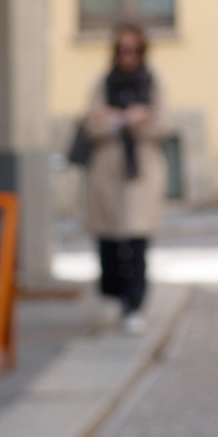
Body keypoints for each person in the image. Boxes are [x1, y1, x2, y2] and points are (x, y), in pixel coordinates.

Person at [82, 23, 166, 335]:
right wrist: (121, 121)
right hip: (108, 173)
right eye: (121, 49)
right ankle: (114, 296)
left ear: (142, 51)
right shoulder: (103, 83)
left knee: (138, 241)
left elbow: (163, 124)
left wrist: (139, 120)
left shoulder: (153, 81)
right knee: (110, 243)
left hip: (141, 172)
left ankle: (135, 305)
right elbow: (91, 125)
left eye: (133, 49)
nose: (127, 56)